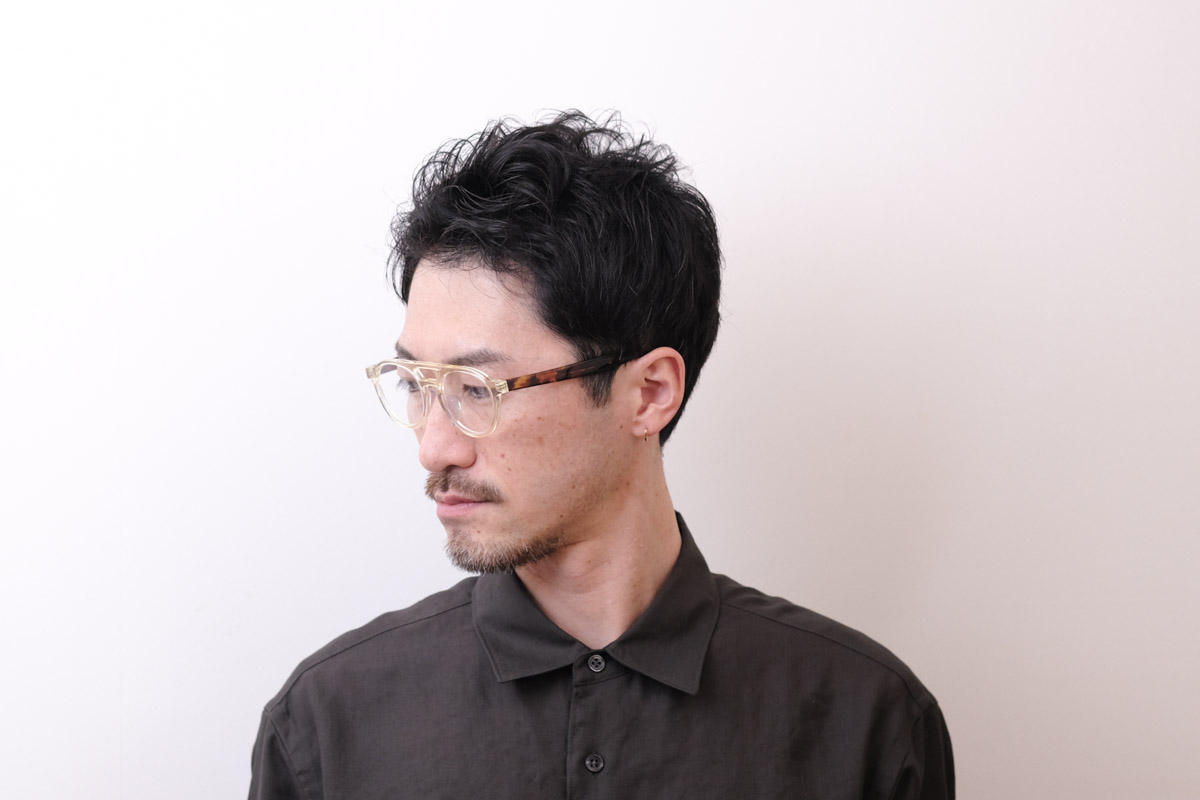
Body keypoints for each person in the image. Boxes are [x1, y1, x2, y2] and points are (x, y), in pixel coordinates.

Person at [248, 111, 954, 799]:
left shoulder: (867, 722)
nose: (434, 446)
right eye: (416, 384)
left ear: (648, 393)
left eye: (478, 388)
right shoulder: (328, 725)